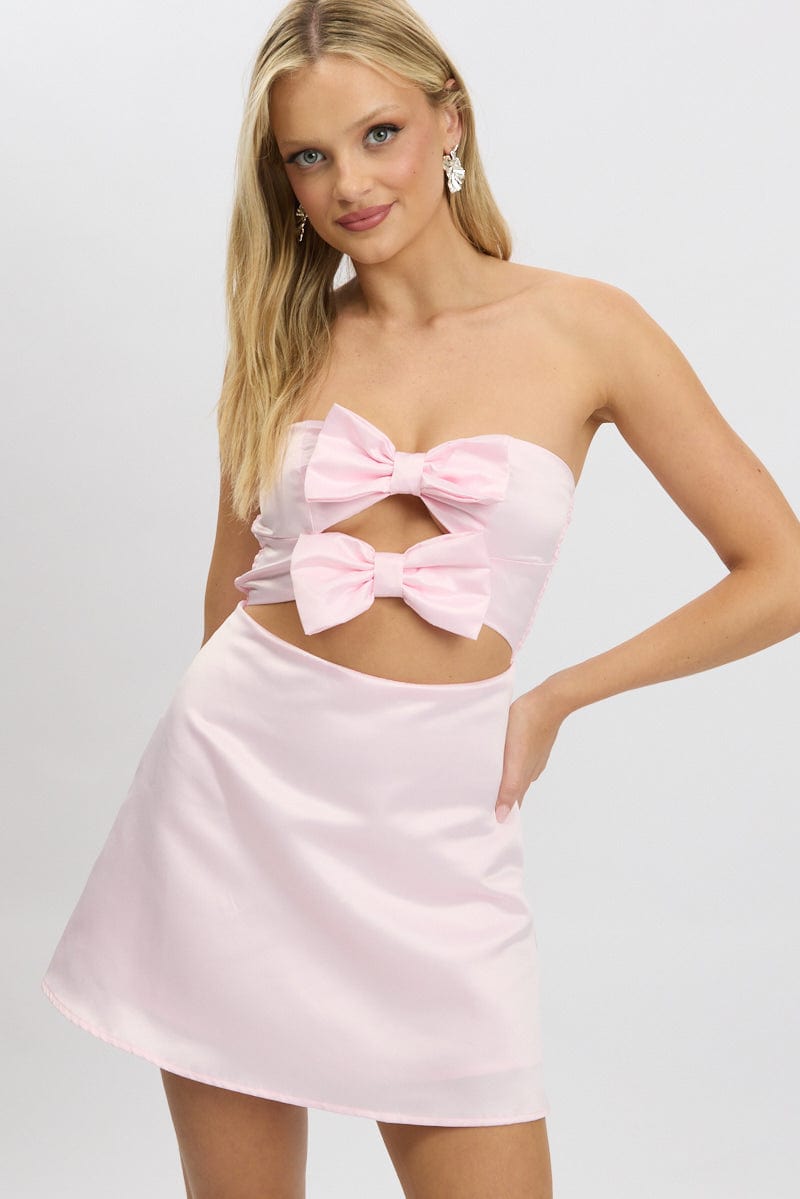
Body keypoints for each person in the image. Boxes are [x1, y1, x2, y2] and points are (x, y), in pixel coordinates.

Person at [41, 1, 800, 1197]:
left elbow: (778, 569)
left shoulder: (586, 327)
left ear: (449, 119)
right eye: (309, 155)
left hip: (436, 817)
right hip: (233, 801)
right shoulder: (281, 338)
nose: (349, 182)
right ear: (282, 178)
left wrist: (556, 696)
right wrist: (225, 761)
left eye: (379, 133)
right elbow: (225, 592)